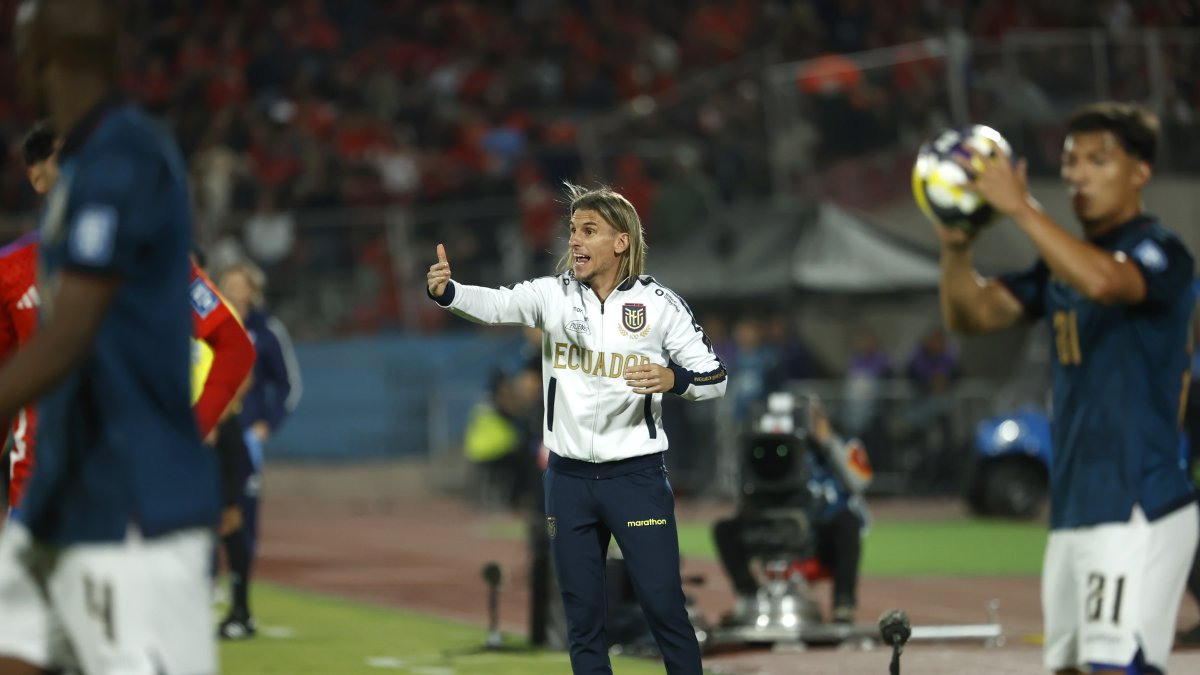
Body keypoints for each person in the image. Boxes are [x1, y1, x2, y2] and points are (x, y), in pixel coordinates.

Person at [935, 101, 1197, 674]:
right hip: (1076, 507)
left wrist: (1021, 208)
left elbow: (1106, 282)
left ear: (1140, 171)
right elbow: (971, 314)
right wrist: (956, 246)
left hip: (1137, 506)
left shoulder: (1162, 252)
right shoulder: (1059, 268)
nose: (1078, 174)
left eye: (1098, 160)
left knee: (1117, 668)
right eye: (1070, 161)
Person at [0, 1, 221, 672]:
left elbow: (71, 334)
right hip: (59, 497)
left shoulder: (125, 155)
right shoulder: (84, 163)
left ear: (35, 57)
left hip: (132, 510)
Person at [427, 183, 727, 674]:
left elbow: (715, 378)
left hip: (636, 479)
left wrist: (674, 380)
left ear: (621, 241)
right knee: (583, 620)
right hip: (567, 481)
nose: (575, 241)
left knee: (664, 608)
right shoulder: (553, 295)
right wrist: (448, 291)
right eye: (572, 230)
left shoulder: (660, 305)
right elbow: (497, 304)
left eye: (589, 230)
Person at [18, 121, 260, 642]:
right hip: (38, 496)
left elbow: (235, 347)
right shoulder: (12, 271)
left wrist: (188, 433)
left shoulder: (155, 258)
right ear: (38, 177)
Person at [712, 397, 872, 625]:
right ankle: (749, 598)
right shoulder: (762, 446)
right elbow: (743, 485)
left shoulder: (844, 444)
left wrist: (827, 442)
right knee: (725, 529)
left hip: (818, 531)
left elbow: (860, 482)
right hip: (772, 524)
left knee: (848, 521)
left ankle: (843, 604)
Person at [216, 258, 303, 638]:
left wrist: (266, 424)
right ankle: (205, 593)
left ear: (253, 291)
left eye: (239, 286)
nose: (233, 293)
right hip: (204, 434)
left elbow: (288, 384)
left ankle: (241, 606)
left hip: (241, 436)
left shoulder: (267, 330)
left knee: (239, 518)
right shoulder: (206, 324)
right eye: (227, 286)